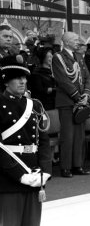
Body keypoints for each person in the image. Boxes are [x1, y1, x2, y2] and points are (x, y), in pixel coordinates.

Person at [0, 55, 52, 226]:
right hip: (9, 178)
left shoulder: (35, 105)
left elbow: (43, 141)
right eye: (17, 78)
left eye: (24, 78)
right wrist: (20, 175)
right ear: (6, 81)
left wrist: (45, 171)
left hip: (34, 174)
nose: (23, 82)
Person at [52, 32, 90, 178]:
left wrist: (86, 95)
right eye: (75, 40)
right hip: (67, 102)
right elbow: (62, 80)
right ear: (67, 42)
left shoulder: (79, 57)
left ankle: (77, 165)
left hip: (80, 101)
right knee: (68, 136)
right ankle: (66, 167)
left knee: (79, 136)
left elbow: (87, 77)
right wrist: (77, 97)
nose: (78, 42)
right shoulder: (59, 57)